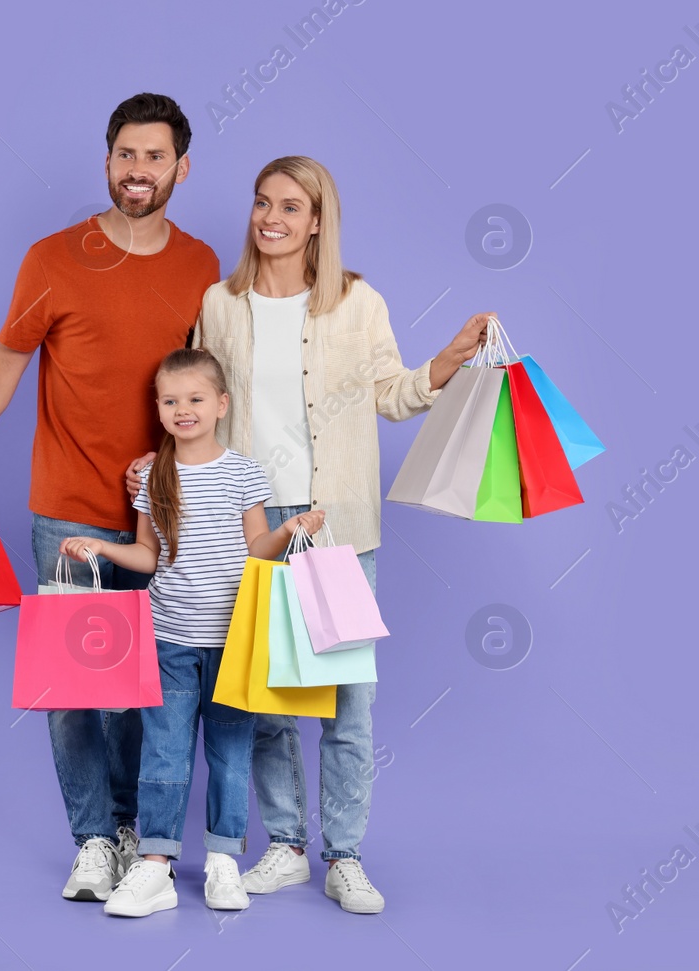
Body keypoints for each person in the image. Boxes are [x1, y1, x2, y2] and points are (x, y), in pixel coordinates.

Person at [126, 155, 493, 914]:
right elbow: (197, 403)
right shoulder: (219, 303)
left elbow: (393, 395)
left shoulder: (358, 303)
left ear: (317, 220)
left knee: (346, 701)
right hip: (249, 525)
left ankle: (345, 855)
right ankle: (286, 846)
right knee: (264, 698)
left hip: (337, 526)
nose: (271, 219)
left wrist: (449, 361)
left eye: (291, 207)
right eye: (263, 203)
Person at [0, 94, 221, 901]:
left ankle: (133, 830)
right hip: (64, 503)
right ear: (107, 161)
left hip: (160, 514)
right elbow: (7, 360)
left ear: (181, 168)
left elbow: (211, 390)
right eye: (126, 154)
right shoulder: (53, 257)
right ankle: (93, 839)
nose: (138, 170)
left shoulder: (201, 267)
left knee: (142, 689)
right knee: (74, 690)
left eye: (155, 157)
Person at [62, 349, 325, 916]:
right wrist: (102, 547)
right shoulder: (154, 477)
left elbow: (257, 550)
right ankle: (155, 866)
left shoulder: (243, 472)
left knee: (230, 753)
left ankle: (224, 862)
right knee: (164, 751)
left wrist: (290, 530)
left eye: (195, 399)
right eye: (171, 400)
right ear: (158, 409)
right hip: (169, 641)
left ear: (221, 405)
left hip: (235, 643)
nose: (183, 410)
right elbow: (148, 556)